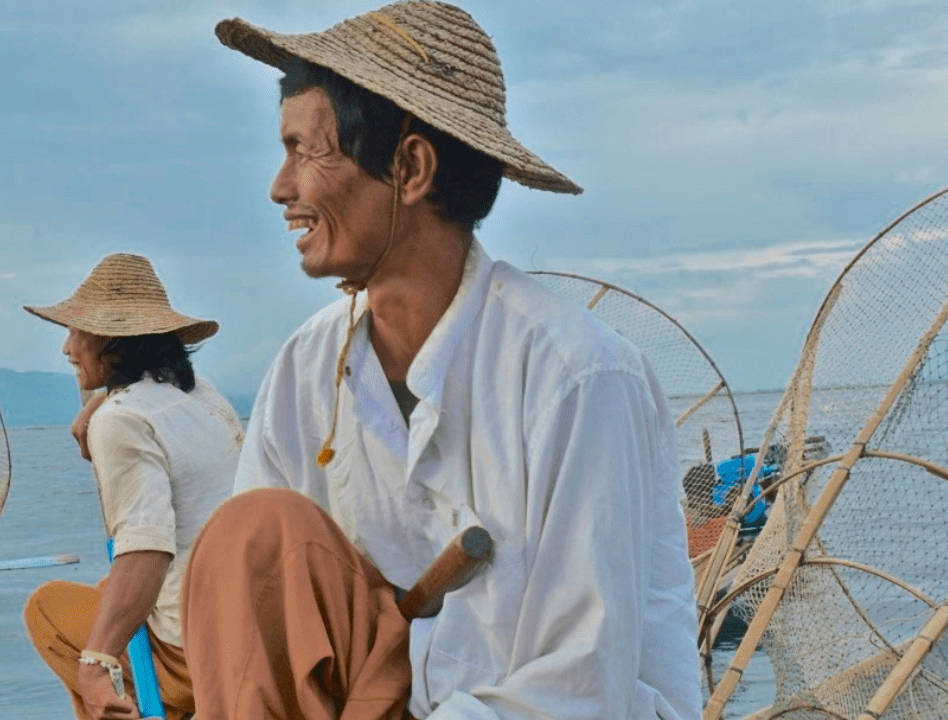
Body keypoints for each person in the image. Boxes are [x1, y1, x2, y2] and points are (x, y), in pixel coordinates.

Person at [182, 3, 703, 718]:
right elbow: (251, 617)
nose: (281, 187)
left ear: (411, 167)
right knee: (254, 535)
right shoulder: (307, 368)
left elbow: (584, 681)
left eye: (307, 151)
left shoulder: (575, 376)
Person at [22, 254, 241, 720]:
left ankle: (137, 702)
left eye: (77, 334)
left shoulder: (122, 422)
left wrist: (96, 663)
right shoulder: (199, 391)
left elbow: (147, 550)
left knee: (47, 611)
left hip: (195, 650)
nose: (66, 349)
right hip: (243, 618)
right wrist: (105, 398)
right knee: (107, 591)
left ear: (112, 345)